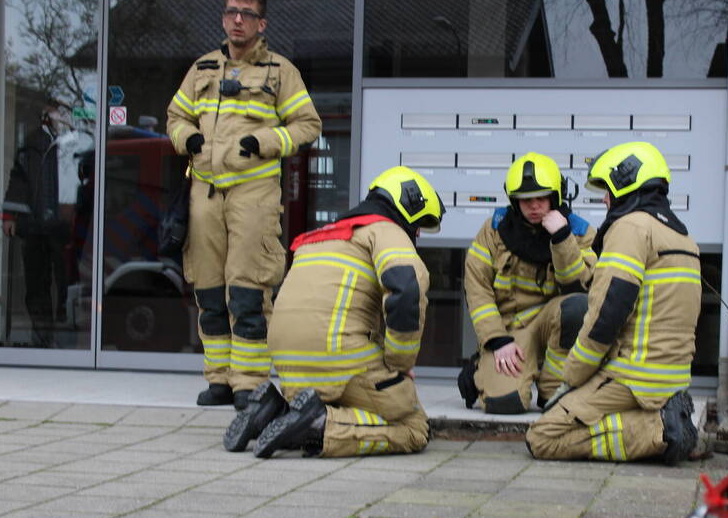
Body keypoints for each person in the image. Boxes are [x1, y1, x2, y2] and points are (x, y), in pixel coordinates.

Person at [223, 166, 445, 458]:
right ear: (410, 205)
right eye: (418, 227)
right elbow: (406, 289)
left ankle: (274, 411)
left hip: (288, 362)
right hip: (338, 354)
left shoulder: (323, 233)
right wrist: (399, 363)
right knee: (413, 426)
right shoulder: (387, 231)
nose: (416, 235)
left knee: (347, 400)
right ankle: (320, 424)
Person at [166, 0, 322, 410]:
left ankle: (249, 383)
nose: (237, 20)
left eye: (246, 14)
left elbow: (308, 125)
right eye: (231, 12)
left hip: (254, 195)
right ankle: (219, 379)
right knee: (209, 290)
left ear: (261, 23)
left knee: (248, 289)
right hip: (204, 192)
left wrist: (266, 141)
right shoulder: (202, 69)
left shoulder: (280, 71)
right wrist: (188, 138)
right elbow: (175, 117)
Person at [525, 142, 701, 464]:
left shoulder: (631, 228)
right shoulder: (682, 237)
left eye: (607, 189)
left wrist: (575, 373)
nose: (605, 199)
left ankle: (659, 430)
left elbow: (609, 312)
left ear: (627, 181)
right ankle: (669, 421)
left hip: (633, 377)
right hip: (671, 378)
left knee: (543, 437)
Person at [457, 152, 596, 414]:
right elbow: (477, 290)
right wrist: (497, 340)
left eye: (542, 198)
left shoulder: (578, 232)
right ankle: (481, 368)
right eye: (526, 200)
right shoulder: (494, 231)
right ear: (514, 201)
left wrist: (562, 238)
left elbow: (582, 288)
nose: (534, 206)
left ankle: (553, 389)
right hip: (510, 331)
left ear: (555, 196)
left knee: (578, 307)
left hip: (554, 320)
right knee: (504, 404)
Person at [0, 103, 74, 348]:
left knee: (66, 282)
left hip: (63, 225)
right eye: (57, 113)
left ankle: (65, 337)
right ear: (45, 117)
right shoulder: (33, 143)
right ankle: (42, 338)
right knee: (37, 283)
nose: (61, 118)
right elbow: (19, 177)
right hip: (35, 224)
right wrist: (10, 214)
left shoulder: (73, 143)